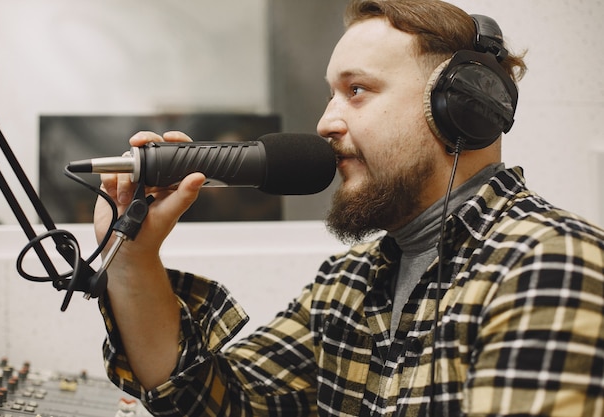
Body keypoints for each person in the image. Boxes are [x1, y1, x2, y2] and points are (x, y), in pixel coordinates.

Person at [93, 0, 604, 416]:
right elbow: (213, 401)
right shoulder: (348, 284)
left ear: (463, 107)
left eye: (356, 91)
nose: (325, 123)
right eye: (331, 94)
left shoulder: (549, 263)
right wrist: (134, 261)